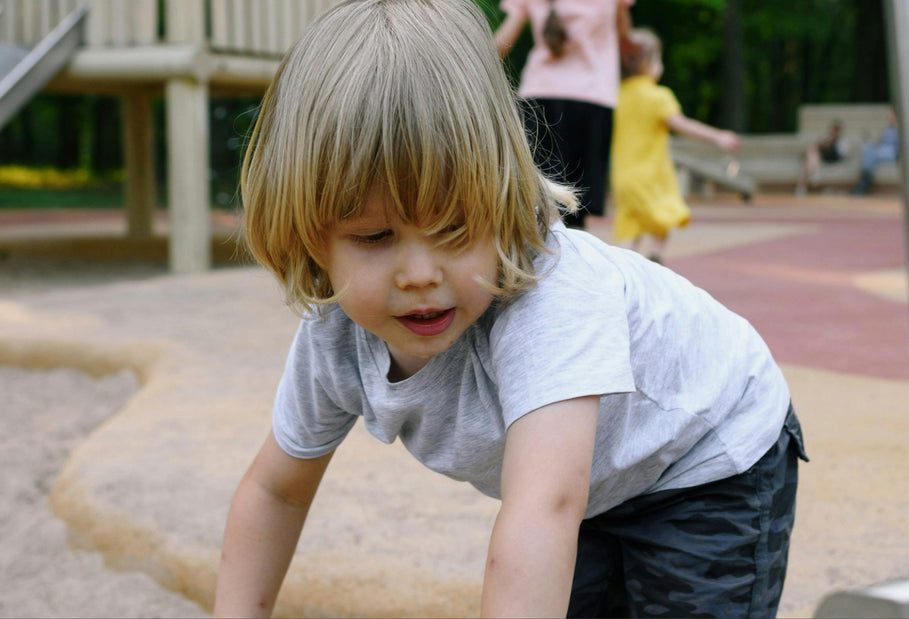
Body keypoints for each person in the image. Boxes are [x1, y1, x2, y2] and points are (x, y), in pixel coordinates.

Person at [213, 1, 808, 618]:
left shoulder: (551, 298)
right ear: (312, 236)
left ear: (504, 193)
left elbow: (542, 509)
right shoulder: (335, 334)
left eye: (454, 228)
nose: (421, 275)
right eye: (374, 238)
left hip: (705, 453)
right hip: (597, 481)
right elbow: (275, 492)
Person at [494, 0, 634, 230]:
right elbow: (623, 31)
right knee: (577, 207)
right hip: (593, 94)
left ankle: (533, 257)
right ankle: (572, 259)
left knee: (536, 196)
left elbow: (504, 41)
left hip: (540, 95)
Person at [610, 28, 740, 264]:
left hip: (623, 178)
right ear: (649, 63)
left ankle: (622, 269)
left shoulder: (617, 95)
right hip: (651, 176)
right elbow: (683, 125)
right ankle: (656, 255)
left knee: (631, 228)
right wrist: (717, 136)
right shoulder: (658, 96)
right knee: (666, 212)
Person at [852, 108, 899, 195]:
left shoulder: (900, 129)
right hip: (882, 150)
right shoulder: (887, 129)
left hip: (893, 152)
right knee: (868, 146)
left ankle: (865, 180)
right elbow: (881, 142)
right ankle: (866, 177)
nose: (888, 117)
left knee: (871, 152)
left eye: (890, 115)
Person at [795, 120, 847, 196]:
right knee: (811, 156)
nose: (834, 131)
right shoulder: (827, 138)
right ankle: (813, 173)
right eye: (834, 129)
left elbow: (841, 154)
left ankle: (802, 186)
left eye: (836, 130)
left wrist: (829, 144)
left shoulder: (843, 141)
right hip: (821, 157)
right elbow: (820, 147)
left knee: (811, 154)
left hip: (832, 158)